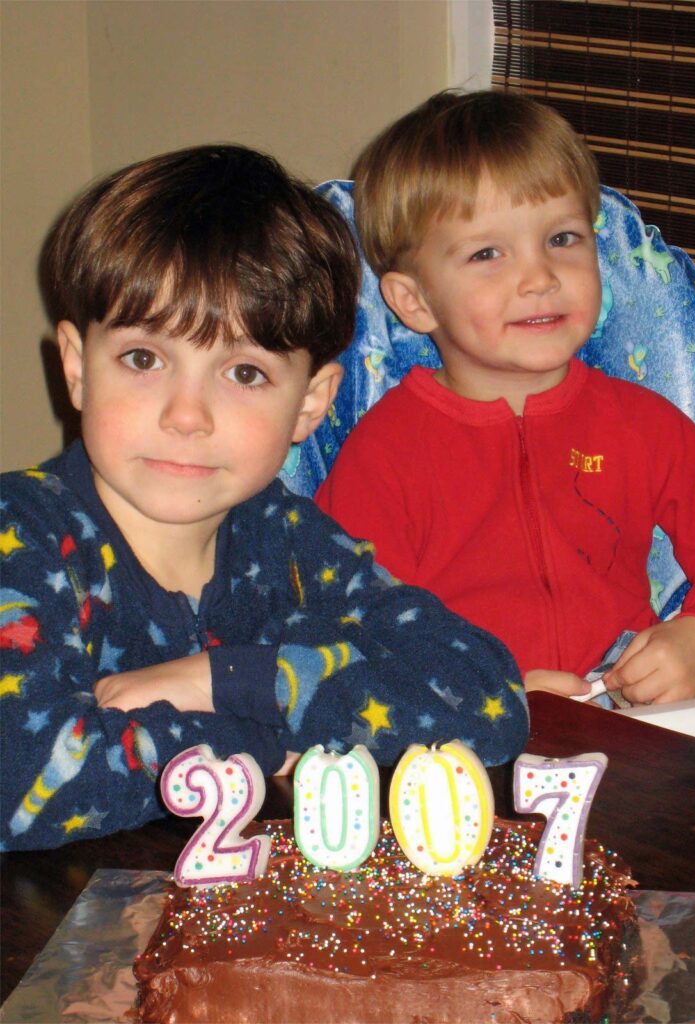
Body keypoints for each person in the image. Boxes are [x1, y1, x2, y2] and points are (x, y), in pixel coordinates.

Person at [0, 144, 529, 852]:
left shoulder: (282, 535)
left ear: (310, 403)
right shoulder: (25, 536)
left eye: (244, 373)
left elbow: (485, 696)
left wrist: (229, 681)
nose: (187, 415)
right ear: (76, 368)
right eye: (143, 359)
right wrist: (260, 740)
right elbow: (21, 780)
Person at [316, 90, 695, 706]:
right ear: (414, 301)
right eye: (487, 253)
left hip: (634, 703)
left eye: (562, 239)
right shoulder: (388, 454)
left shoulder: (637, 424)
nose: (540, 277)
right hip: (467, 729)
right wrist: (485, 693)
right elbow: (346, 620)